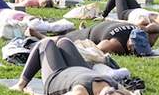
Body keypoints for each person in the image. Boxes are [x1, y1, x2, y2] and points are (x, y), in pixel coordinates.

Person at [9, 38, 134, 95]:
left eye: (110, 93)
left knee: (46, 43)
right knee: (65, 42)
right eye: (116, 91)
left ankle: (20, 84)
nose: (112, 88)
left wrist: (32, 94)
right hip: (80, 69)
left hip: (58, 75)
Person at [27, 20, 159, 56]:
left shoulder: (143, 32)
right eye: (133, 51)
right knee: (62, 40)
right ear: (129, 46)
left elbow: (155, 28)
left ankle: (77, 29)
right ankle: (39, 35)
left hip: (105, 27)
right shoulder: (114, 45)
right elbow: (91, 50)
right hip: (90, 34)